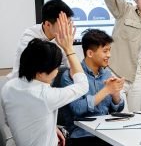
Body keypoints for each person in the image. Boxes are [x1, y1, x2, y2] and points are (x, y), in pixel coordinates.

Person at [1, 13, 88, 146]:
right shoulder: (46, 96)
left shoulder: (9, 87)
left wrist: (50, 127)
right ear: (41, 73)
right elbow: (82, 85)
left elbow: (15, 119)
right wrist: (69, 49)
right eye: (56, 68)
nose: (57, 71)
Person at [60, 29, 124, 146]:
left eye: (109, 50)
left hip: (106, 131)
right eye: (105, 51)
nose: (109, 55)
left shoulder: (106, 73)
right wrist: (106, 90)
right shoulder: (70, 75)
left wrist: (115, 94)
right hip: (82, 135)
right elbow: (77, 108)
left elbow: (117, 109)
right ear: (90, 53)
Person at [7, 0, 74, 80]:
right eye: (63, 25)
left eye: (69, 23)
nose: (67, 28)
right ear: (48, 24)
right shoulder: (29, 37)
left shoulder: (61, 37)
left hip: (45, 84)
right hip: (23, 85)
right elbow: (39, 69)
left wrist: (69, 48)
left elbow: (71, 65)